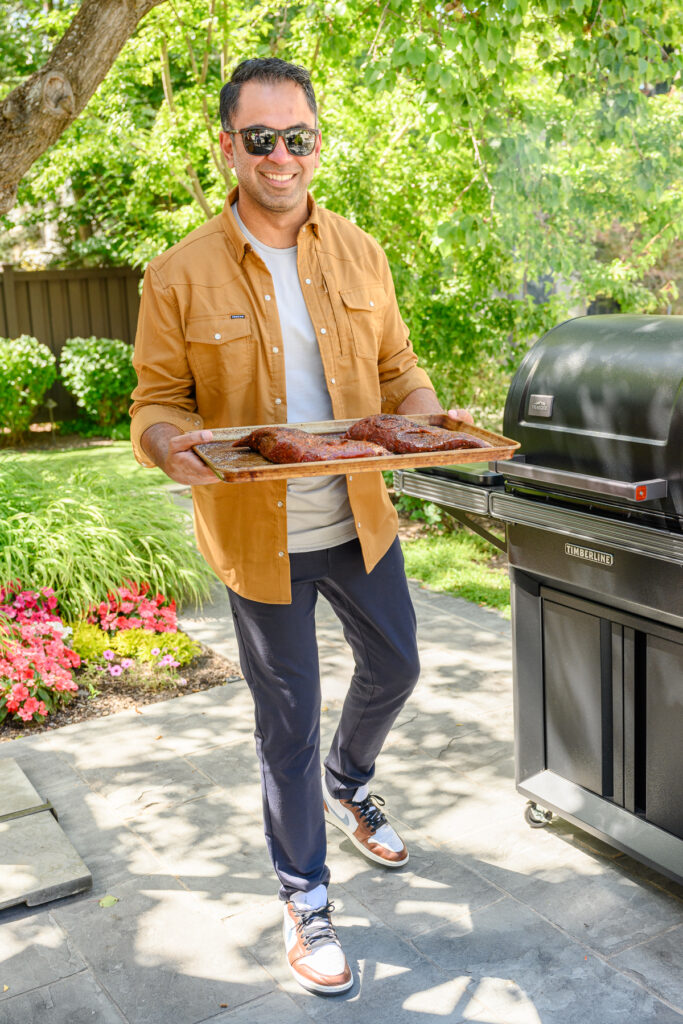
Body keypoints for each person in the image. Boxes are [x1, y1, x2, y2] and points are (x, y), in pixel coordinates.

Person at [130, 57, 472, 996]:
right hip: (257, 531)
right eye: (261, 139)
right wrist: (172, 449)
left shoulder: (361, 252)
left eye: (299, 137)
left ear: (318, 141)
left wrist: (427, 423)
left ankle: (351, 782)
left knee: (397, 665)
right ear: (228, 146)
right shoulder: (178, 272)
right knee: (286, 719)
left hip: (360, 514)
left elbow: (400, 371)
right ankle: (305, 894)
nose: (283, 157)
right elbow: (156, 402)